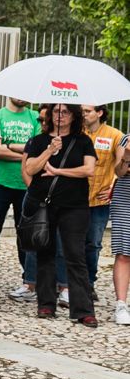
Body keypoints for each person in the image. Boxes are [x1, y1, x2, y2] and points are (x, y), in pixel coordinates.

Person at [22, 103, 98, 325]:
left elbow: (89, 169)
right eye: (56, 111)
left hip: (74, 206)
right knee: (45, 253)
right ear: (49, 115)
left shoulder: (83, 141)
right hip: (43, 204)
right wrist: (49, 150)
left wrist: (58, 171)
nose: (60, 116)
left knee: (75, 255)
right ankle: (46, 304)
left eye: (65, 112)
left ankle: (83, 309)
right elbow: (30, 169)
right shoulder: (38, 141)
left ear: (74, 116)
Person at [0, 96, 44, 300]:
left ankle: (28, 281)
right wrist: (26, 152)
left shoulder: (35, 118)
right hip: (0, 182)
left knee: (27, 236)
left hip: (27, 185)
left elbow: (38, 149)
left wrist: (12, 148)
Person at [81, 103, 122, 292]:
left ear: (99, 113)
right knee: (69, 243)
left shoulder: (114, 135)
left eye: (87, 111)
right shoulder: (77, 133)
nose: (83, 114)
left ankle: (88, 283)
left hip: (99, 200)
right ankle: (67, 284)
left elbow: (123, 166)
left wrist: (113, 187)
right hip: (75, 198)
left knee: (93, 243)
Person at [110, 134, 130, 324]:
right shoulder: (126, 139)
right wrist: (127, 156)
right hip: (126, 199)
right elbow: (119, 172)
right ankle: (121, 304)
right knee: (124, 253)